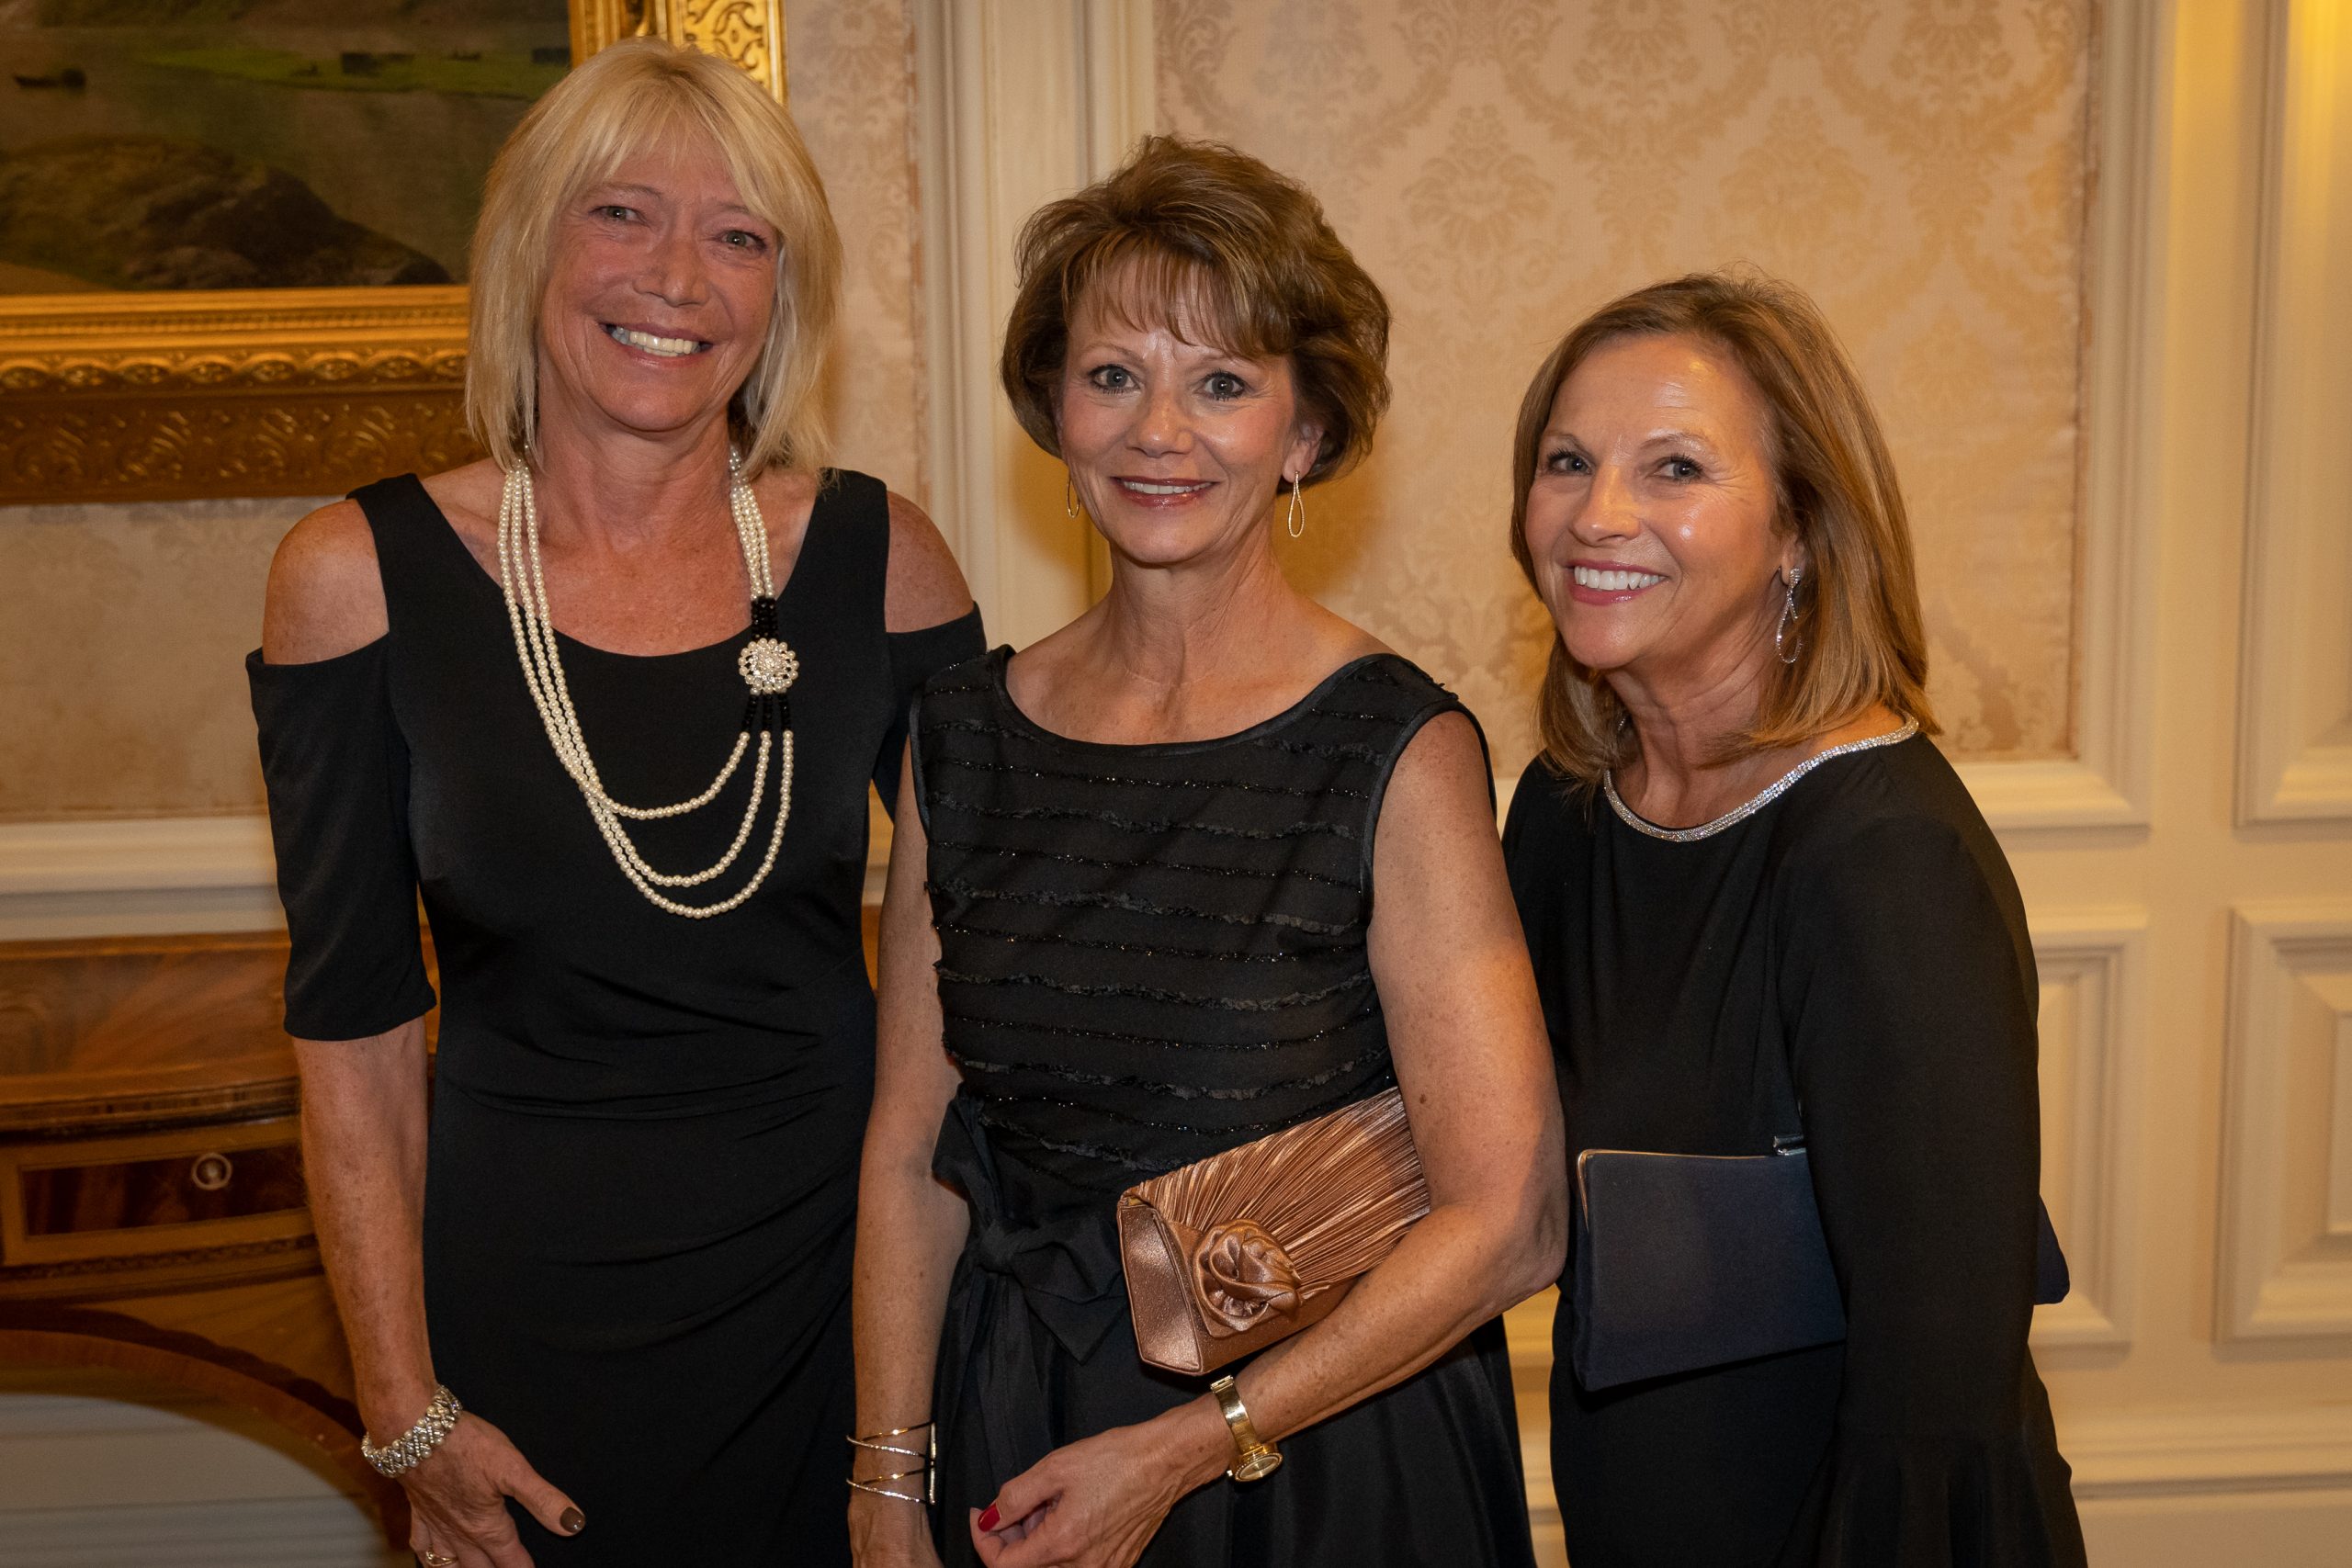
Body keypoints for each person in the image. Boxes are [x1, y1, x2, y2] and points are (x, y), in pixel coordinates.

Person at [248, 38, 981, 1567]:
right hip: (519, 1313)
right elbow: (354, 1034)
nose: (679, 278)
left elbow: (994, 942)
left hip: (841, 1305)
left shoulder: (880, 561)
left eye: (740, 236)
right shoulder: (354, 578)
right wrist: (403, 1406)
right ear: (531, 246)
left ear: (782, 294)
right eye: (623, 214)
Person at [848, 136, 1565, 1568]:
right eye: (1114, 375)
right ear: (1056, 413)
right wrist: (885, 1485)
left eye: (1223, 383)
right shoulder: (961, 737)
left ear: (1304, 435)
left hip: (1313, 1461)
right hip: (1018, 1431)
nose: (1158, 430)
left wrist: (1186, 1450)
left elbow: (1512, 1219)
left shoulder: (1393, 748)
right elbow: (912, 1155)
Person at [1501, 271, 2086, 1567]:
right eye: (1568, 461)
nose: (1598, 515)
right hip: (1639, 1508)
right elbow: (1498, 1166)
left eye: (1674, 469)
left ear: (1799, 532)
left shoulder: (1884, 859)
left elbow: (1939, 1391)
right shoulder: (1565, 811)